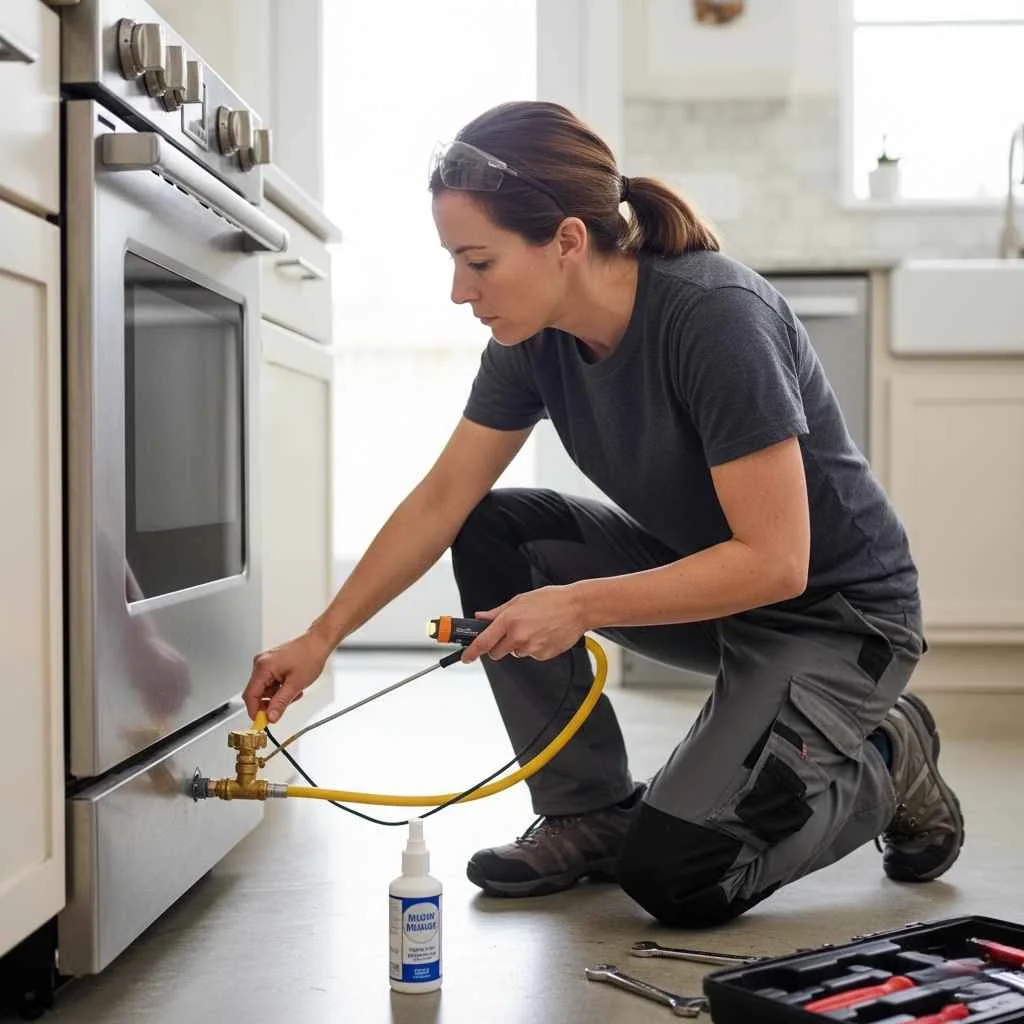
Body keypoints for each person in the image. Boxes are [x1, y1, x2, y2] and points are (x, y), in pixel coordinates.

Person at [242, 101, 964, 927]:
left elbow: (775, 562)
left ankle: (889, 753)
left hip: (836, 622)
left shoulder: (714, 317)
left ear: (568, 242)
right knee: (491, 527)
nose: (457, 291)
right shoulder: (531, 339)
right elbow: (444, 498)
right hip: (720, 599)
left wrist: (579, 604)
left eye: (478, 261)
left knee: (677, 878)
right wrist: (322, 635)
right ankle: (586, 810)